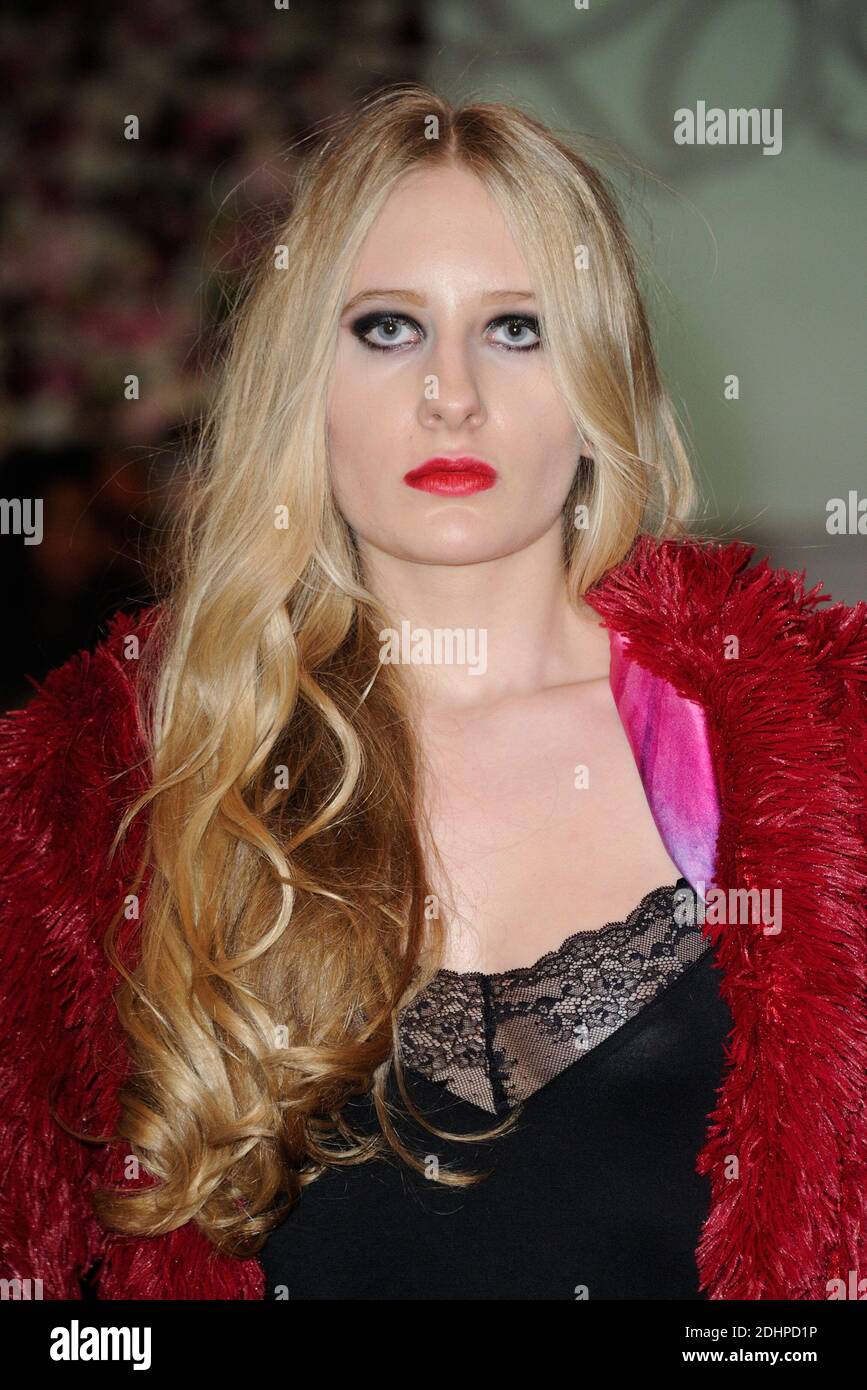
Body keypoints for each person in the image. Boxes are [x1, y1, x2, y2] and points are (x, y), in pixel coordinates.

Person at [1, 85, 865, 1303]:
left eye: (517, 328)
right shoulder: (93, 790)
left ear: (601, 378)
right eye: (388, 328)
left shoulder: (823, 747)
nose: (450, 393)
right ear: (306, 381)